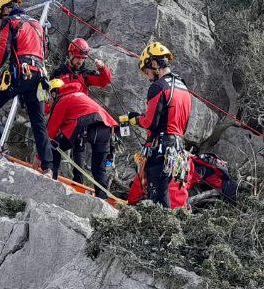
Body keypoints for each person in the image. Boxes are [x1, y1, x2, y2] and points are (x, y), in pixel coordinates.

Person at [0, 0, 52, 171]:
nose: (0, 19)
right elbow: (45, 51)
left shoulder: (10, 22)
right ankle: (48, 167)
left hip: (20, 73)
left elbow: (3, 50)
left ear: (6, 9)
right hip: (40, 76)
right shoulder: (37, 24)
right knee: (38, 122)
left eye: (0, 14)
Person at [121, 42, 192, 208]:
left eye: (147, 71)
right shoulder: (183, 86)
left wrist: (134, 118)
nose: (147, 76)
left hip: (160, 148)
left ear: (153, 64)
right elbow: (184, 123)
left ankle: (164, 228)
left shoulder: (157, 87)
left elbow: (150, 123)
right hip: (177, 149)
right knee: (165, 190)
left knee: (157, 196)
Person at [45, 78, 117, 192]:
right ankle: (102, 198)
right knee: (99, 169)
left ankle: (49, 177)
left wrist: (39, 157)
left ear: (53, 93)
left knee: (54, 146)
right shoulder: (78, 95)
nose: (48, 101)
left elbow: (50, 132)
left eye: (48, 96)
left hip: (85, 125)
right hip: (105, 126)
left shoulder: (62, 100)